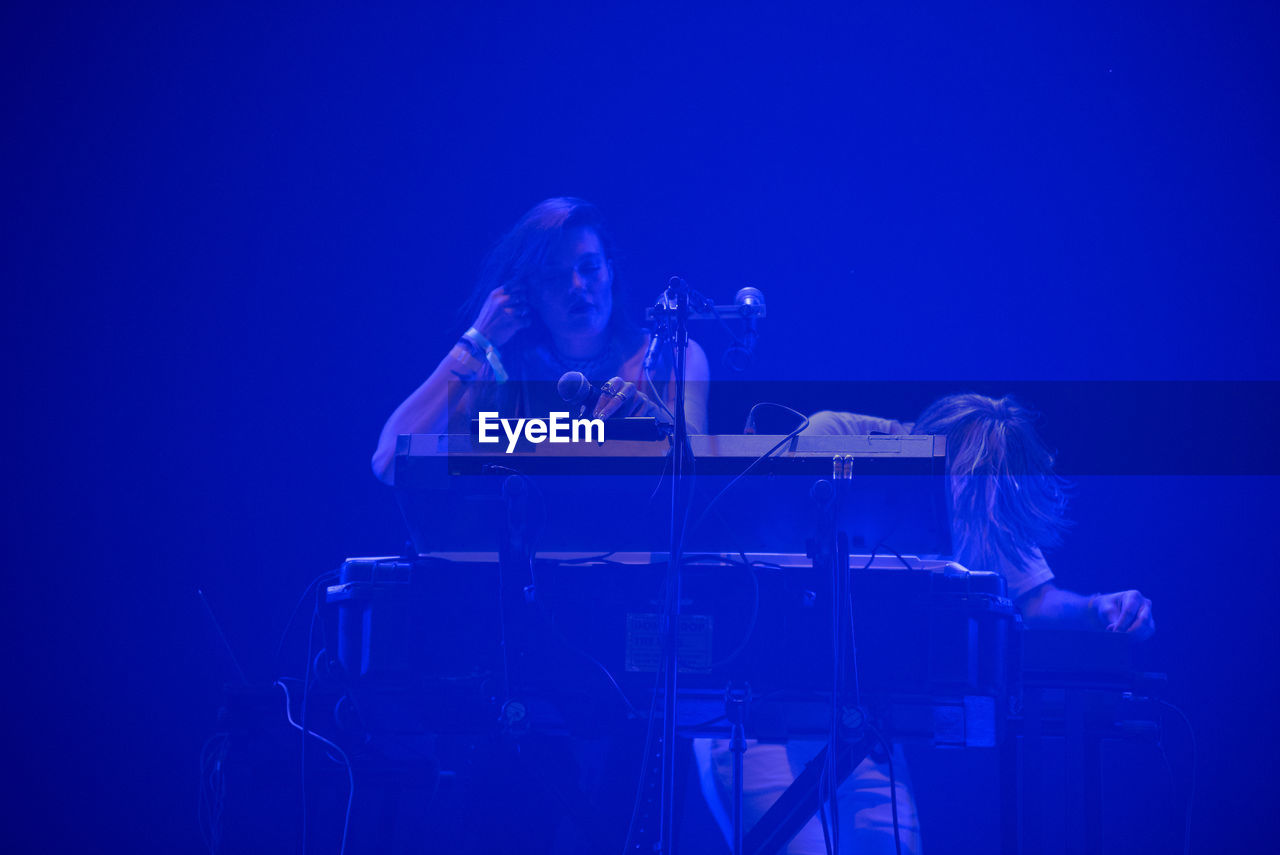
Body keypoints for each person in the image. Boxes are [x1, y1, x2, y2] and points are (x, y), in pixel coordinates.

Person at [698, 392, 1154, 855]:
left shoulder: (982, 497)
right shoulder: (835, 435)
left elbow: (1035, 599)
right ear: (939, 447)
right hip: (754, 711)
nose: (972, 504)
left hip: (856, 718)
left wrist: (1098, 607)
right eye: (968, 484)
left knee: (890, 845)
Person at [372, 197, 709, 484]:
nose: (577, 285)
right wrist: (477, 340)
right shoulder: (499, 373)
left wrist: (652, 420)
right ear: (525, 291)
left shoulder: (672, 356)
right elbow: (389, 462)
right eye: (553, 274)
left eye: (589, 267)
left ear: (610, 272)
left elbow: (698, 470)